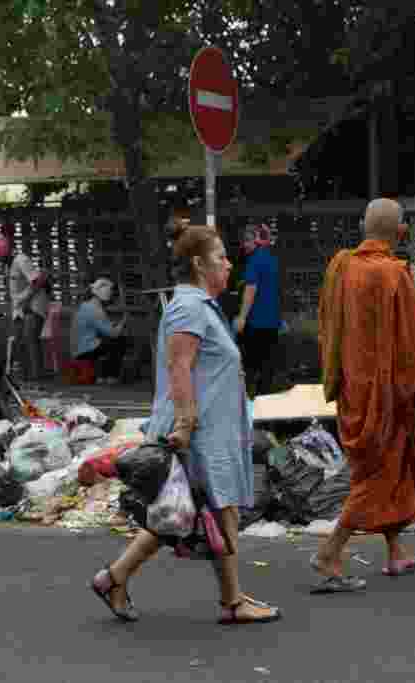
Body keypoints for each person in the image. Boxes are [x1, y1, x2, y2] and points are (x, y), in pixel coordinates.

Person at [90, 216, 281, 625]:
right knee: (216, 511)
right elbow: (180, 367)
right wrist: (186, 425)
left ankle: (114, 578)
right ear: (199, 264)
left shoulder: (201, 307)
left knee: (178, 514)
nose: (230, 264)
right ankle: (232, 602)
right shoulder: (189, 308)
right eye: (222, 257)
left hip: (206, 430)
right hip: (198, 434)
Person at [311, 198, 415, 593]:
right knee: (377, 477)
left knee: (394, 469)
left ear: (364, 226)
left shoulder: (341, 268)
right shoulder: (393, 273)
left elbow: (328, 325)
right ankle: (329, 553)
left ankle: (396, 551)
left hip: (355, 390)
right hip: (387, 394)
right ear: (401, 233)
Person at [0, 232, 49, 381]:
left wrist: (25, 300)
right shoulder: (9, 265)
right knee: (19, 342)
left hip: (33, 306)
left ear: (1, 248)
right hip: (21, 308)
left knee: (30, 340)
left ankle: (38, 378)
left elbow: (38, 281)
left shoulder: (21, 260)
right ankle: (27, 378)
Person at [234, 224, 281, 398]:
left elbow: (251, 288)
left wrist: (242, 317)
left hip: (255, 323)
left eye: (247, 241)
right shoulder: (272, 259)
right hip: (272, 323)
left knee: (248, 367)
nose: (244, 245)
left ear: (257, 240)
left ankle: (248, 403)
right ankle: (264, 403)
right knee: (266, 369)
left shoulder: (254, 260)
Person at [73, 277, 129, 385]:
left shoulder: (85, 305)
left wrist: (112, 326)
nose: (113, 295)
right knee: (119, 341)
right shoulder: (96, 309)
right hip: (85, 351)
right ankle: (109, 377)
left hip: (79, 349)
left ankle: (102, 375)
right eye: (112, 292)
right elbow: (114, 334)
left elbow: (101, 327)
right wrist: (123, 322)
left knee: (107, 343)